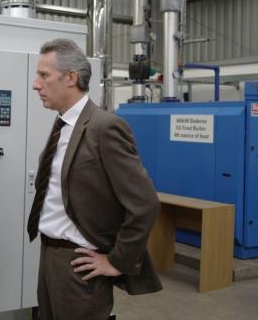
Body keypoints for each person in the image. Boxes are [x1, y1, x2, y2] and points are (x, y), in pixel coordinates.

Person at [27, 38, 162, 320]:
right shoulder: (62, 123)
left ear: (71, 78)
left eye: (43, 76)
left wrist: (117, 261)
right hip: (49, 255)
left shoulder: (105, 127)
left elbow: (145, 203)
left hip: (79, 263)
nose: (35, 84)